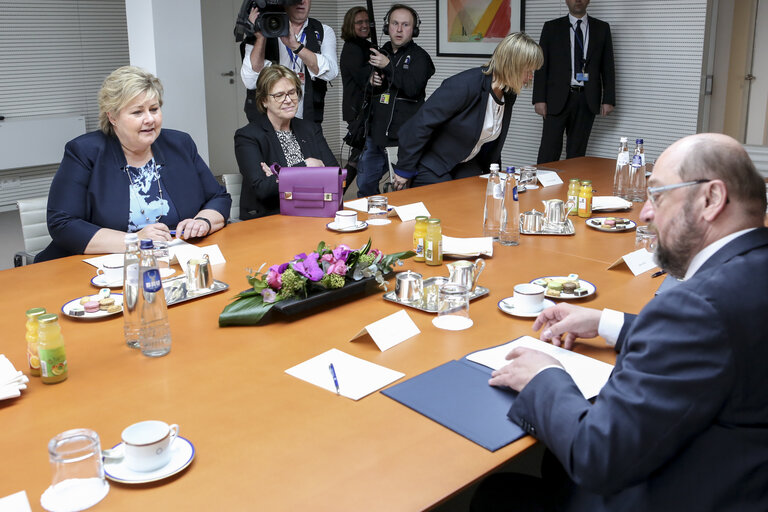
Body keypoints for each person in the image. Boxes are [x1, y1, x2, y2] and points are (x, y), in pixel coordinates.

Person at [472, 133, 768, 511]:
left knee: (498, 495)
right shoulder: (744, 278)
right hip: (738, 470)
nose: (645, 213)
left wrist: (543, 377)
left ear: (711, 199)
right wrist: (609, 323)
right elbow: (724, 341)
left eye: (657, 196)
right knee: (551, 463)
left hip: (682, 491)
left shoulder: (696, 307)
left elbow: (598, 457)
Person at [36, 66, 230, 263]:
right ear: (112, 117)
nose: (150, 119)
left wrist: (203, 221)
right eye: (137, 112)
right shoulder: (84, 152)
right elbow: (63, 224)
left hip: (172, 261)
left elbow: (218, 197)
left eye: (154, 109)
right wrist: (134, 241)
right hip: (102, 269)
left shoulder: (180, 144)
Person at [392, 33, 543, 189]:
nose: (530, 77)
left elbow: (492, 143)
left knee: (484, 198)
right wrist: (404, 169)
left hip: (465, 164)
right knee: (451, 206)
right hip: (433, 164)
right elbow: (420, 123)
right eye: (528, 71)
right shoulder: (466, 84)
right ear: (512, 66)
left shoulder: (508, 94)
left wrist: (496, 174)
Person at [234, 65, 337, 220]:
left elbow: (334, 175)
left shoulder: (309, 128)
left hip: (313, 211)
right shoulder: (248, 136)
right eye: (279, 95)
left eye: (292, 92)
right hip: (271, 218)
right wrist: (307, 167)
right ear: (264, 101)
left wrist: (280, 175)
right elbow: (263, 189)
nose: (288, 100)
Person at [356, 4, 434, 197]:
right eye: (395, 24)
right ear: (387, 27)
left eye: (405, 25)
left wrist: (388, 66)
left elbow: (413, 88)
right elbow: (366, 89)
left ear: (414, 29)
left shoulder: (420, 57)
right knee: (365, 185)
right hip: (376, 136)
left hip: (403, 139)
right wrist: (371, 81)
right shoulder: (379, 52)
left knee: (401, 193)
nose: (399, 30)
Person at [533, 0, 615, 164]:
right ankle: (541, 186)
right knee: (549, 150)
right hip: (556, 98)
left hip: (587, 99)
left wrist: (608, 99)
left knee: (577, 153)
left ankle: (571, 188)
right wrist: (539, 99)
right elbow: (541, 65)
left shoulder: (602, 28)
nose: (578, 0)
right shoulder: (551, 28)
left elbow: (608, 66)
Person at [240, 0, 337, 124]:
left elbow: (331, 72)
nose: (301, 2)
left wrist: (296, 46)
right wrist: (261, 36)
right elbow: (250, 81)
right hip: (268, 123)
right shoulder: (263, 27)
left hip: (308, 120)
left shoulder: (322, 30)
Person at [339, 6, 373, 189]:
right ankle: (336, 192)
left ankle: (337, 192)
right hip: (358, 110)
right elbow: (364, 79)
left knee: (359, 155)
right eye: (359, 22)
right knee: (358, 156)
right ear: (351, 25)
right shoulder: (353, 47)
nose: (365, 25)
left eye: (367, 21)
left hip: (364, 108)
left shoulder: (365, 46)